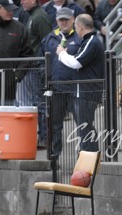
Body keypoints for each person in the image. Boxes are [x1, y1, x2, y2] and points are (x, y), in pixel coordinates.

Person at [56, 13, 105, 152]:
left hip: (87, 92)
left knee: (85, 128)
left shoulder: (92, 42)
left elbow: (76, 63)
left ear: (80, 27)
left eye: (76, 27)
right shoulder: (90, 41)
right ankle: (89, 160)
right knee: (84, 128)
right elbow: (77, 60)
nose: (76, 30)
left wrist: (61, 54)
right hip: (85, 91)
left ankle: (89, 163)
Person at [40, 7, 80, 158]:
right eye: (61, 20)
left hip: (75, 89)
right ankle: (54, 159)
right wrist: (45, 76)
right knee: (55, 126)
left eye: (66, 19)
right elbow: (41, 60)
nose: (64, 22)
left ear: (73, 19)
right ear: (56, 20)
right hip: (56, 89)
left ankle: (84, 159)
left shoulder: (79, 37)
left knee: (82, 125)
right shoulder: (49, 38)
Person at [18, 0, 52, 147]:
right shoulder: (32, 16)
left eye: (24, 0)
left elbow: (48, 41)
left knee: (40, 102)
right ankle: (41, 137)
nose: (21, 2)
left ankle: (45, 138)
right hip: (34, 65)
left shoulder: (39, 17)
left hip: (39, 65)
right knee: (36, 102)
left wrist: (45, 65)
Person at [0, 0, 32, 128]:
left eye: (12, 9)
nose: (11, 12)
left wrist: (17, 75)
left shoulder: (19, 27)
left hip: (8, 88)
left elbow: (27, 55)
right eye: (8, 9)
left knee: (6, 128)